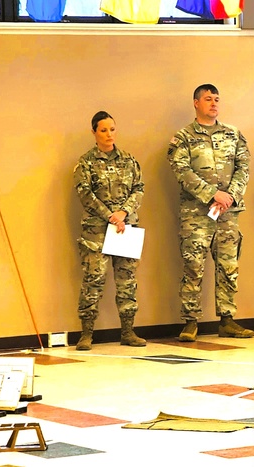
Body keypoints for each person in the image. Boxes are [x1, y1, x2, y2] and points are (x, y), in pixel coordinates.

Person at [168, 83, 254, 341]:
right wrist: (211, 194)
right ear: (196, 103)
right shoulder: (183, 137)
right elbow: (181, 170)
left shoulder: (233, 134)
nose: (214, 103)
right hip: (196, 214)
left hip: (228, 214)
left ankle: (227, 320)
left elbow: (244, 167)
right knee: (193, 266)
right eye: (208, 99)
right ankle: (191, 322)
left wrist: (230, 196)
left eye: (217, 99)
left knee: (228, 266)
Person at [72, 111, 146, 350]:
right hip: (96, 232)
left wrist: (123, 213)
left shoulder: (129, 160)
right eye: (103, 130)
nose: (109, 134)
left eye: (112, 129)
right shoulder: (86, 163)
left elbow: (139, 189)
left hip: (125, 229)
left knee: (127, 281)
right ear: (93, 132)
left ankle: (128, 331)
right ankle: (86, 334)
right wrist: (110, 216)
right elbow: (85, 194)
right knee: (93, 281)